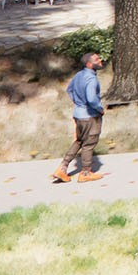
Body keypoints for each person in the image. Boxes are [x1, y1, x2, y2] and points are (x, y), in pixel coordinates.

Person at [52, 51, 105, 183]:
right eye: (97, 60)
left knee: (79, 141)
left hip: (78, 114)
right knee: (89, 144)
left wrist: (78, 103)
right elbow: (91, 98)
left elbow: (69, 89)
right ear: (89, 64)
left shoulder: (79, 75)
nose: (100, 61)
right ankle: (85, 172)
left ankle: (62, 168)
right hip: (90, 116)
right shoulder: (91, 79)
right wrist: (100, 108)